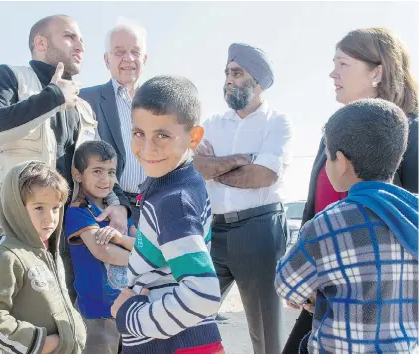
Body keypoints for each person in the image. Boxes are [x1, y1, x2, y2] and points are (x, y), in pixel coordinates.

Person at [0, 14, 131, 302]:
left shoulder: (83, 106)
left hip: (72, 235)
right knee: (30, 324)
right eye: (70, 36)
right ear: (40, 43)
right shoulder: (9, 77)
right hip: (20, 231)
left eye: (82, 40)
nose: (80, 46)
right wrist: (53, 97)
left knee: (76, 322)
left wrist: (118, 204)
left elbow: (97, 165)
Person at [282, 27, 419, 354]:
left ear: (377, 72)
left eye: (342, 64)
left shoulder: (412, 134)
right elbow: (313, 212)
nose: (332, 73)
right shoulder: (333, 133)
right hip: (324, 298)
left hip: (381, 310)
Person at [111, 76, 224, 353]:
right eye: (139, 133)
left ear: (194, 137)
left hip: (173, 344)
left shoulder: (173, 201)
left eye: (162, 135)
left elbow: (203, 295)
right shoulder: (180, 183)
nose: (148, 148)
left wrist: (130, 316)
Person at [193, 43, 293, 354]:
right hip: (214, 233)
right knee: (191, 314)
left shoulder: (278, 122)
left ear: (259, 81)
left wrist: (216, 167)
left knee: (266, 335)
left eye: (237, 73)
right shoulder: (211, 123)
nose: (228, 80)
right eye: (226, 73)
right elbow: (195, 168)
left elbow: (262, 176)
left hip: (259, 231)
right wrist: (241, 160)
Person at [0, 161, 87, 354]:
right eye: (39, 208)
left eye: (55, 208)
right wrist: (40, 343)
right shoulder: (6, 254)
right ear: (16, 207)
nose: (50, 218)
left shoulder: (49, 250)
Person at [64, 140, 136, 354]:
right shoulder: (78, 211)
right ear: (78, 174)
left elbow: (143, 243)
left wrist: (120, 239)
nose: (106, 179)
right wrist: (140, 258)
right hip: (97, 313)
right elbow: (102, 251)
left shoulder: (116, 213)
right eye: (97, 171)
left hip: (127, 306)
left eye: (111, 172)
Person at [80, 22, 148, 226]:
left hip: (154, 209)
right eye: (119, 52)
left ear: (144, 59)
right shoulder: (86, 99)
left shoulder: (159, 103)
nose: (129, 58)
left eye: (135, 52)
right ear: (107, 60)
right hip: (108, 209)